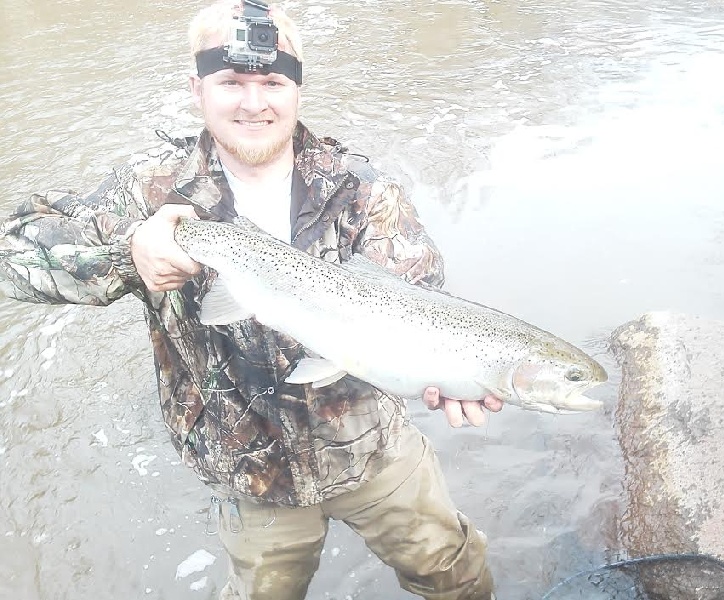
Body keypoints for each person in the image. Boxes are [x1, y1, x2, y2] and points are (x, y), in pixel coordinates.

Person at [0, 2, 504, 599]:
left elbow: (425, 299)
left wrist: (446, 373)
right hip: (250, 478)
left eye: (271, 82)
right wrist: (126, 252)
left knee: (456, 576)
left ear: (296, 87)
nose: (253, 102)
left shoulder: (363, 190)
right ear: (197, 88)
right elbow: (14, 252)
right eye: (231, 83)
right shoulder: (150, 190)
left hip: (375, 455)